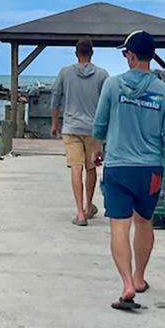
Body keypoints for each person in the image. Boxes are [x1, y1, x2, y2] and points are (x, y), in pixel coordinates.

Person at [91, 30, 165, 312]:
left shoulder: (112, 85)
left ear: (131, 56)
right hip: (150, 170)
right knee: (144, 222)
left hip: (119, 166)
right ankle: (141, 277)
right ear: (151, 57)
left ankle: (127, 283)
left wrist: (97, 150)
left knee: (119, 225)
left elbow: (100, 124)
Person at [51, 37, 110, 226]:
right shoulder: (102, 75)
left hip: (71, 127)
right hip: (93, 129)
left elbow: (55, 98)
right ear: (92, 53)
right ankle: (88, 206)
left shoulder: (65, 73)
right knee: (91, 167)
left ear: (76, 53)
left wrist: (55, 123)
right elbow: (106, 104)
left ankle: (80, 214)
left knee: (76, 168)